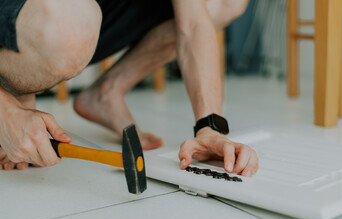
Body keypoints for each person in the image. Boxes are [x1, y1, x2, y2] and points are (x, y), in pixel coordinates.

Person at [0, 0, 258, 176]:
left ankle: (107, 91)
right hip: (38, 14)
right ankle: (14, 70)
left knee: (224, 2)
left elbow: (193, 23)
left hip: (86, 17)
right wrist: (6, 112)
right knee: (69, 28)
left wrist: (209, 127)